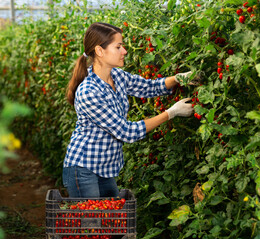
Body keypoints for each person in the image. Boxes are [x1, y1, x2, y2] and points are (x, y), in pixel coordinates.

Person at [62, 22, 193, 198]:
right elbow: (126, 131)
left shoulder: (117, 76)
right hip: (83, 168)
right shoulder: (89, 92)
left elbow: (150, 87)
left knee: (110, 221)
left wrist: (179, 78)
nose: (124, 51)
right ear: (100, 51)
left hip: (103, 168)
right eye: (118, 46)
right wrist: (171, 113)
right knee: (92, 223)